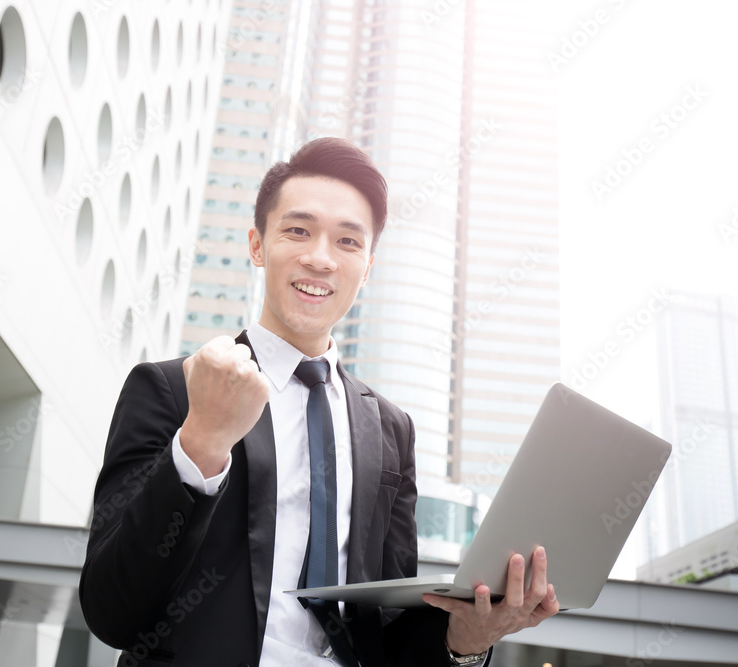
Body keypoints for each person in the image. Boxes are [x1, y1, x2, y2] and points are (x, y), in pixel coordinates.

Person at [79, 137, 560, 667]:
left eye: (348, 242)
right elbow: (111, 610)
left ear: (368, 266)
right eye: (298, 230)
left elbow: (390, 636)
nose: (321, 259)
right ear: (257, 245)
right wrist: (202, 442)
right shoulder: (173, 388)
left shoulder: (390, 429)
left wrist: (468, 639)